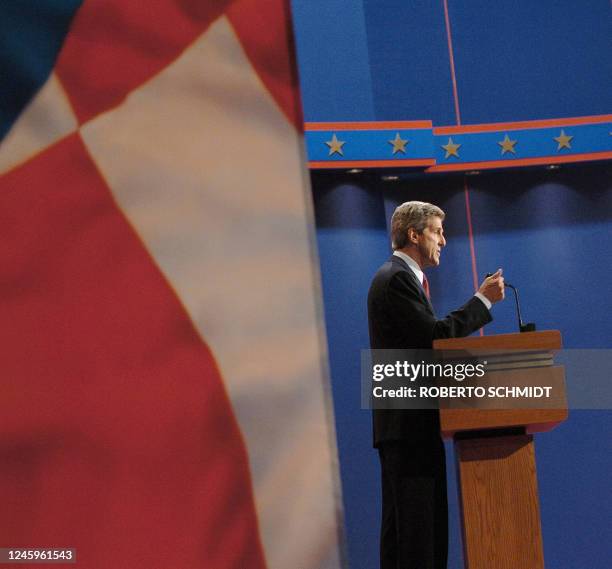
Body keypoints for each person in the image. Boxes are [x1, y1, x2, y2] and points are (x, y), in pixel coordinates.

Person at [367, 201, 505, 569]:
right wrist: (482, 301)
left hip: (408, 425)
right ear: (414, 234)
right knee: (417, 539)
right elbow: (435, 338)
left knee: (407, 536)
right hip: (408, 426)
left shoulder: (399, 277)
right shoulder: (396, 277)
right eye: (437, 231)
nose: (444, 240)